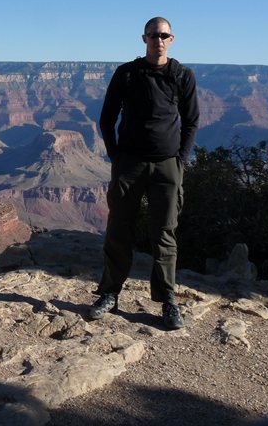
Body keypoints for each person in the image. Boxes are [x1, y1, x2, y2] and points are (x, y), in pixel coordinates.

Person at [89, 16, 199, 329]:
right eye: (153, 35)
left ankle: (167, 302)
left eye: (163, 35)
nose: (158, 40)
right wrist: (116, 157)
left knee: (164, 233)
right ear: (144, 38)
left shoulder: (182, 75)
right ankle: (109, 293)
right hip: (130, 163)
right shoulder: (126, 74)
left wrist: (181, 161)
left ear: (172, 39)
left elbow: (191, 121)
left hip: (167, 165)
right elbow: (107, 118)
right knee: (119, 229)